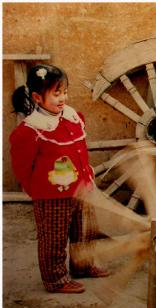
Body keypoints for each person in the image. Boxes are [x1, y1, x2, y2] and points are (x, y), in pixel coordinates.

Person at [9, 64, 108, 294]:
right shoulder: (31, 130)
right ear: (37, 97)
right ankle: (55, 279)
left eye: (64, 91)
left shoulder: (72, 117)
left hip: (81, 188)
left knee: (85, 231)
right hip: (52, 194)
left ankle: (83, 266)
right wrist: (37, 192)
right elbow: (22, 167)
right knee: (54, 238)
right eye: (56, 93)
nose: (63, 98)